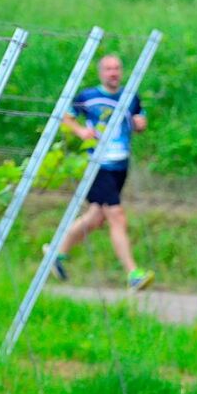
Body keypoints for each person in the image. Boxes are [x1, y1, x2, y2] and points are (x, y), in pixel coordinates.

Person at [45, 54, 154, 291]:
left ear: (121, 72)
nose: (113, 73)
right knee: (116, 215)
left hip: (119, 165)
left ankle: (55, 253)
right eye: (108, 69)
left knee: (95, 218)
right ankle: (133, 274)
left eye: (116, 68)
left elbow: (139, 119)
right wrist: (80, 131)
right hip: (97, 164)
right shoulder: (88, 97)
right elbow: (64, 115)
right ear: (100, 73)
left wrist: (140, 124)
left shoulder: (130, 96)